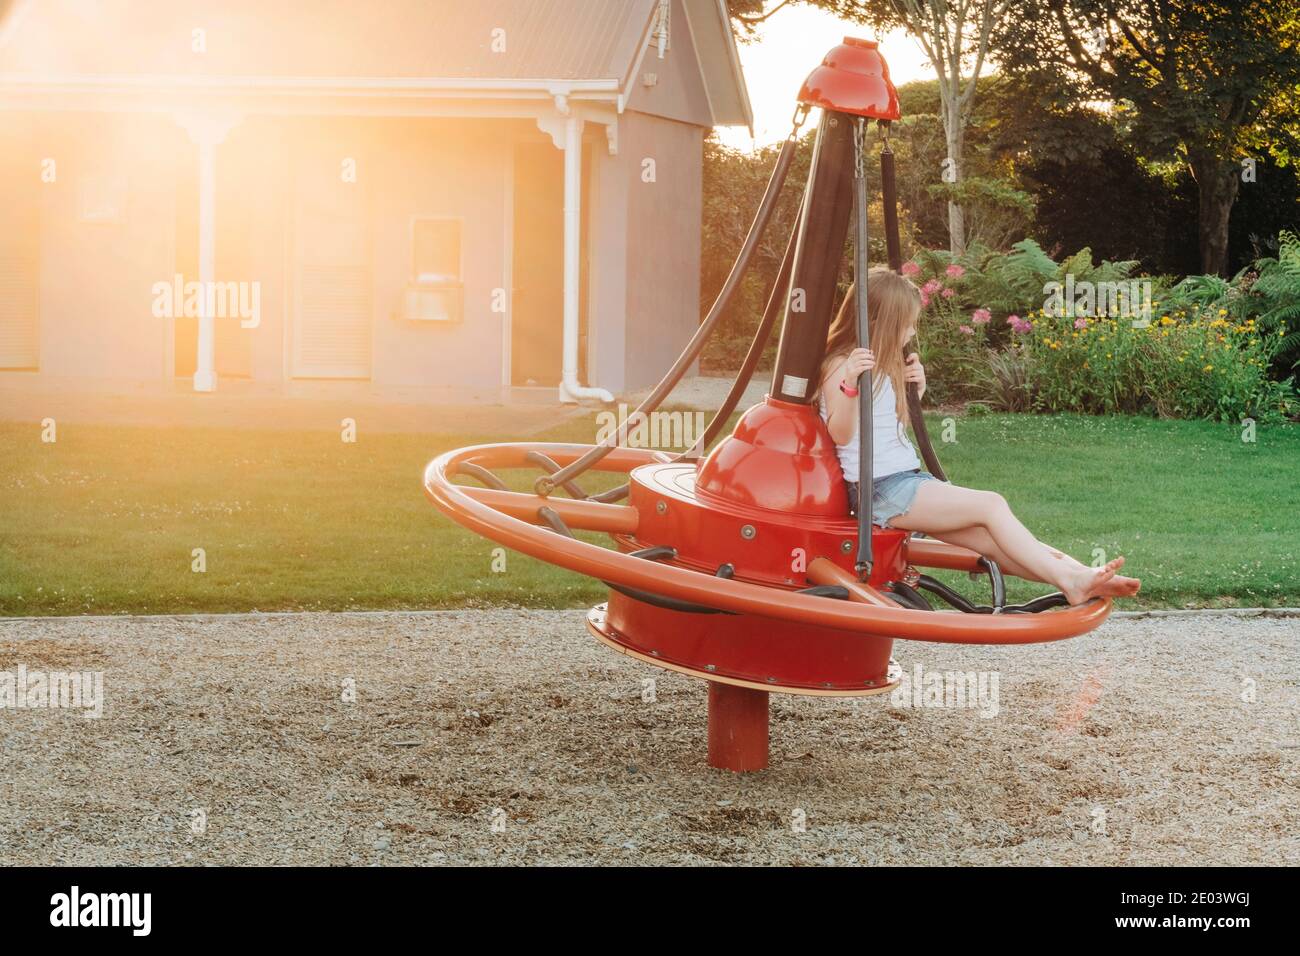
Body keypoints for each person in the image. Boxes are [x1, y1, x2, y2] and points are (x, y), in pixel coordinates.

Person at [817, 267, 1140, 606]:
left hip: (903, 481)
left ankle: (1084, 575)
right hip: (880, 489)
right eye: (908, 323)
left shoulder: (882, 364)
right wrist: (850, 384)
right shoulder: (843, 365)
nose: (912, 331)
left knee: (990, 540)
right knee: (991, 505)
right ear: (882, 322)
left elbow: (886, 430)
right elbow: (841, 435)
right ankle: (1073, 580)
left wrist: (915, 393)